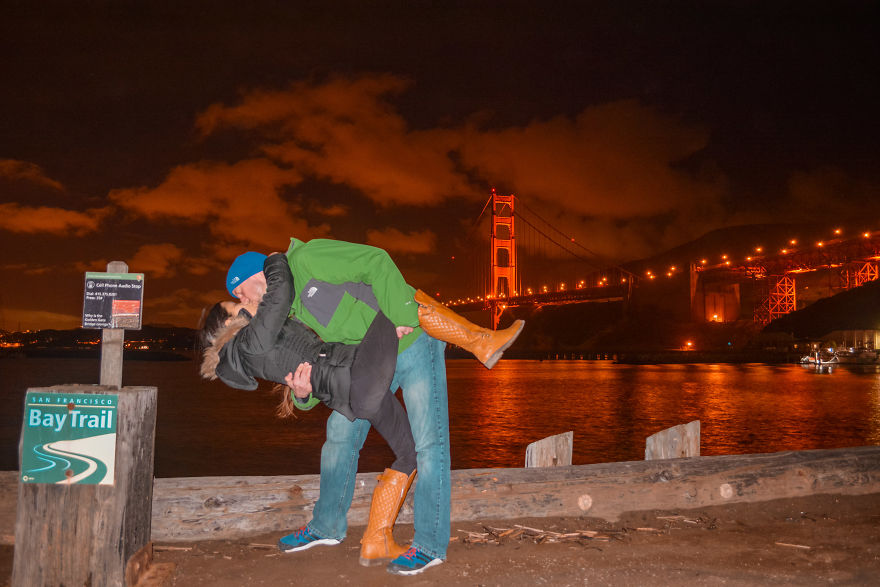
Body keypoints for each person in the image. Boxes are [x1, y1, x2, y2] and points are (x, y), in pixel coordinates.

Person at [226, 239, 524, 576]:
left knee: (428, 442)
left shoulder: (307, 259)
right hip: (367, 363)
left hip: (410, 340)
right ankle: (328, 527)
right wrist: (302, 394)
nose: (244, 300)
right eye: (238, 298)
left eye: (241, 290)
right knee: (338, 437)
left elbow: (375, 261)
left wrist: (402, 315)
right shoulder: (288, 315)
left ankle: (429, 544)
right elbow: (318, 370)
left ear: (261, 272)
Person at [201, 252, 417, 567]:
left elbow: (309, 363)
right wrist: (275, 261)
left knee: (411, 453)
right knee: (404, 301)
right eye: (235, 306)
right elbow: (281, 295)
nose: (243, 304)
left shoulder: (261, 341)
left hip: (354, 391)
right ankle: (480, 341)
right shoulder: (249, 342)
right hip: (356, 378)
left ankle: (376, 540)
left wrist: (302, 393)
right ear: (228, 325)